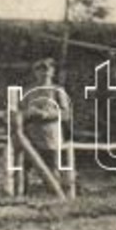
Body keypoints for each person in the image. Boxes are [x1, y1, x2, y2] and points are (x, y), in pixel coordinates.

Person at [13, 58, 73, 196]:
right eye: (40, 70)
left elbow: (66, 114)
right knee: (25, 167)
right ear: (35, 72)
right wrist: (28, 113)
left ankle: (55, 196)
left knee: (52, 168)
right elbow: (20, 110)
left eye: (47, 70)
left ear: (52, 72)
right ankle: (22, 196)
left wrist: (46, 114)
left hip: (50, 136)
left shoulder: (58, 90)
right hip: (30, 136)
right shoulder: (29, 90)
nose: (44, 73)